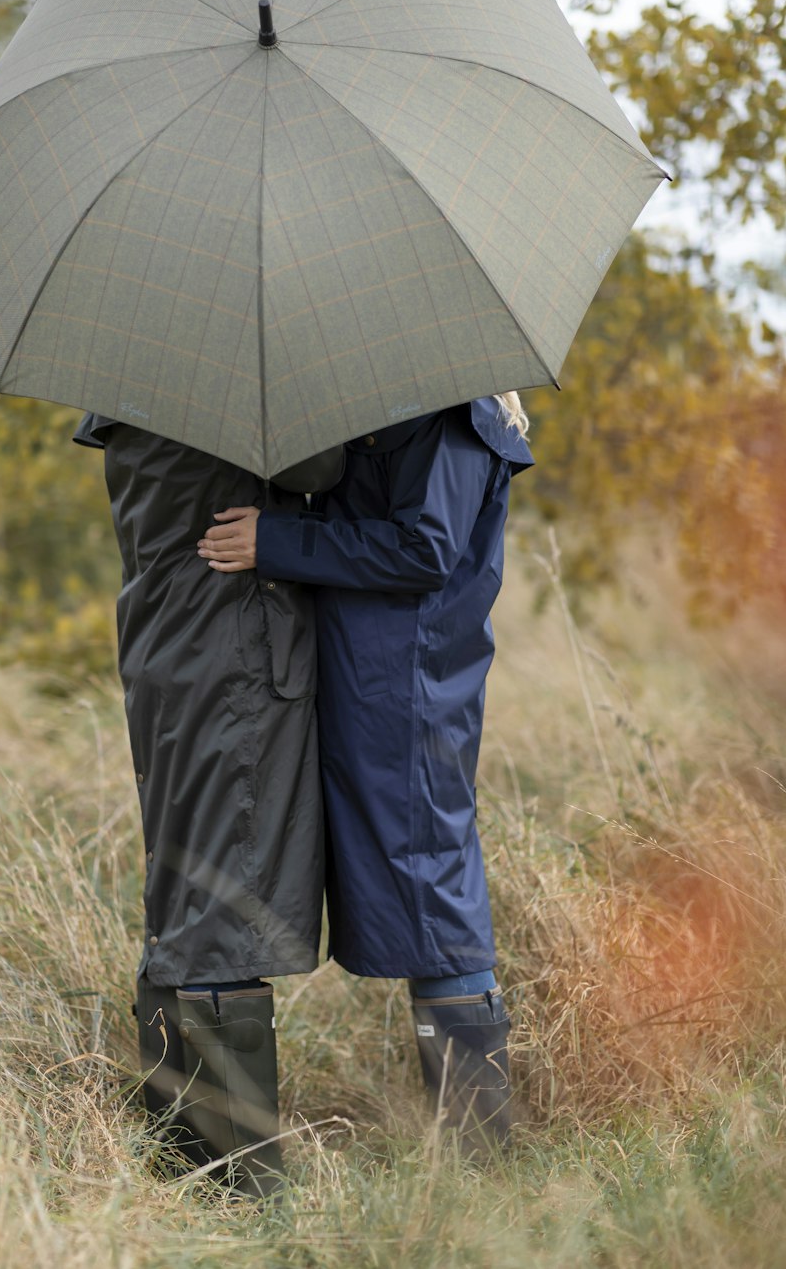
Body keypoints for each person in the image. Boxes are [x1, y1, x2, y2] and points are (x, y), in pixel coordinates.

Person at [198, 393, 533, 1155]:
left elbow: (424, 549)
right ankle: (471, 1156)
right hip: (371, 681)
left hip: (408, 687)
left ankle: (480, 1157)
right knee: (417, 885)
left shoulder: (457, 418)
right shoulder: (412, 408)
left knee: (432, 889)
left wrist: (278, 540)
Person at [74, 412, 342, 1196]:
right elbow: (320, 463)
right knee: (228, 907)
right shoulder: (235, 393)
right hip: (233, 669)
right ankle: (248, 1186)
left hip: (171, 653)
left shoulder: (134, 382)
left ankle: (179, 1159)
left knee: (184, 895)